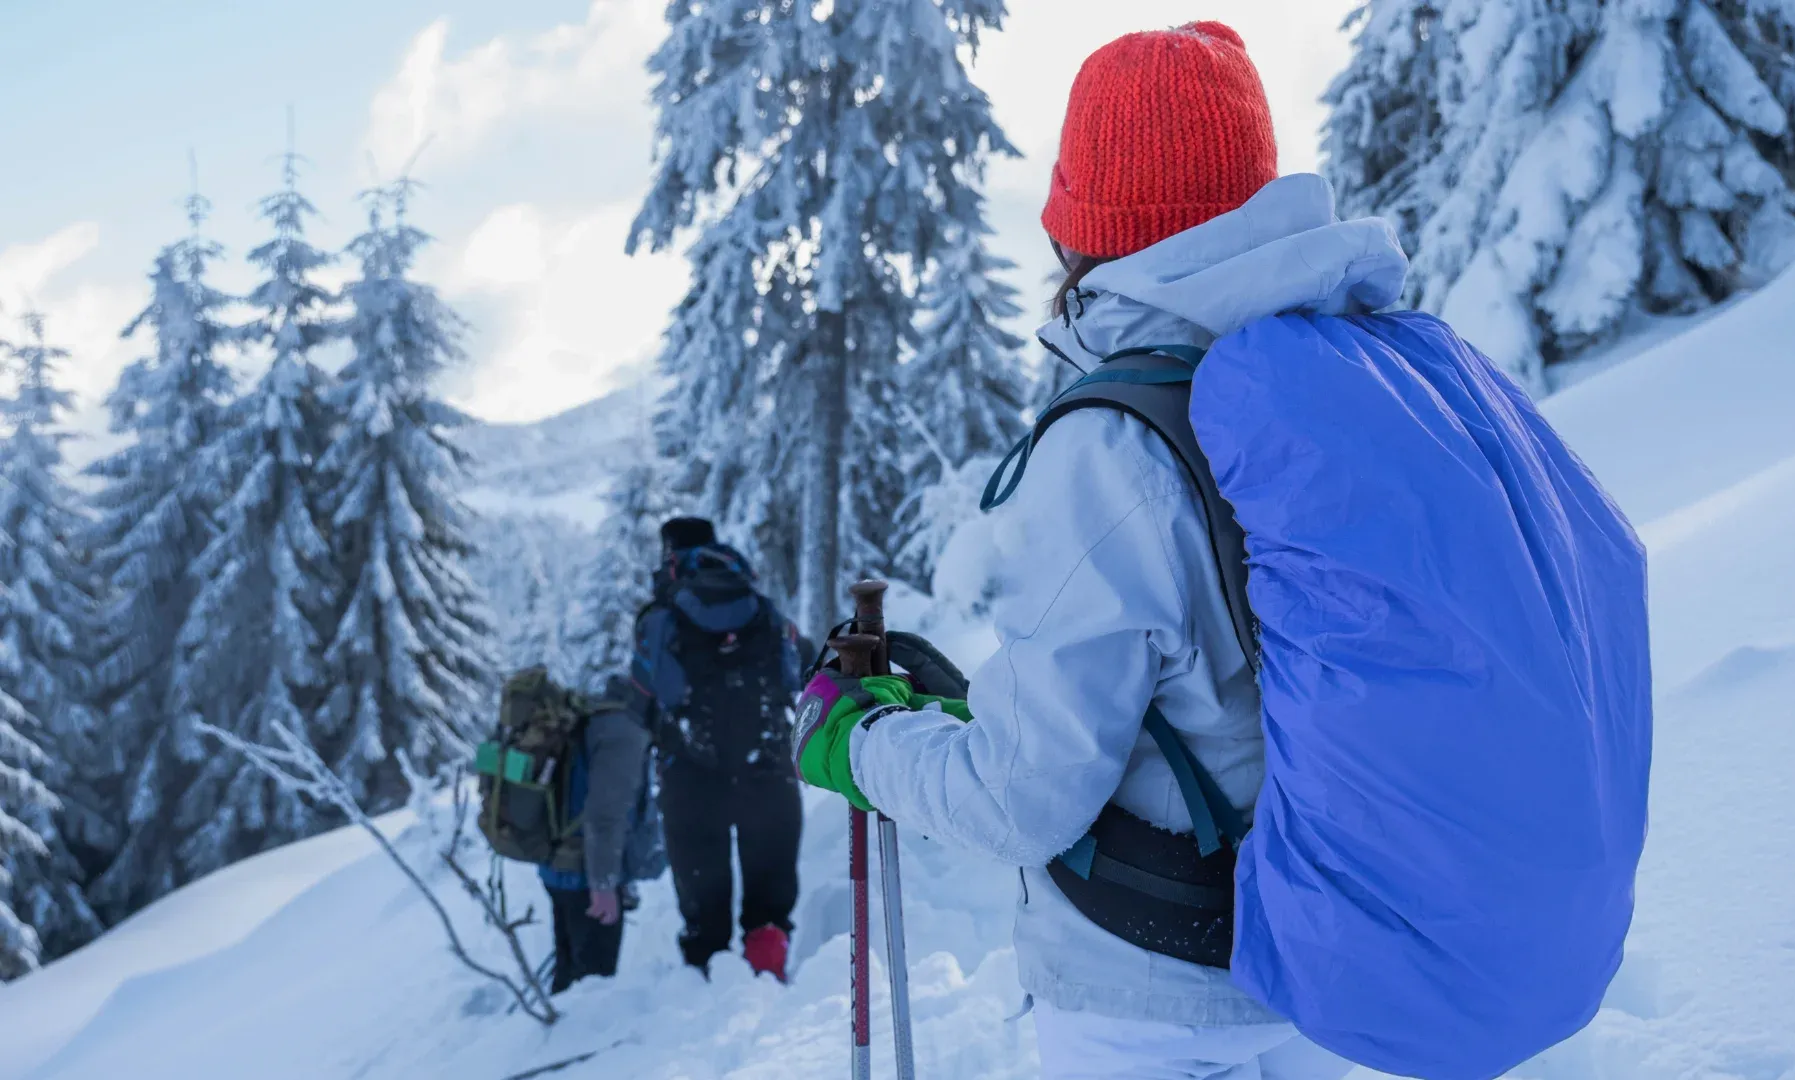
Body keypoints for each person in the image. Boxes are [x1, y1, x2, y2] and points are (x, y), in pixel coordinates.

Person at [791, 21, 1388, 1080]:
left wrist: (861, 745)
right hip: (1332, 946)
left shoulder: (1118, 443)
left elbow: (1025, 798)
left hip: (1156, 989)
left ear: (1090, 228)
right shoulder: (1349, 367)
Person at [631, 517, 806, 980]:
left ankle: (708, 982)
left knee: (702, 892)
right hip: (766, 764)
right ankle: (769, 974)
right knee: (770, 892)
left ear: (669, 555)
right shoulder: (757, 606)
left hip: (690, 771)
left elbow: (644, 691)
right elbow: (796, 671)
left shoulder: (660, 616)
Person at [536, 674, 657, 995]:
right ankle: (581, 1044)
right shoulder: (624, 732)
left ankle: (554, 1037)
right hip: (586, 877)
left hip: (561, 866)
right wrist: (603, 885)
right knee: (590, 989)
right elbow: (606, 814)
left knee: (568, 975)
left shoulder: (599, 717)